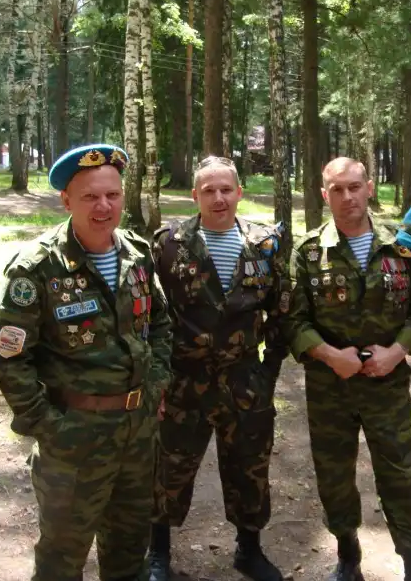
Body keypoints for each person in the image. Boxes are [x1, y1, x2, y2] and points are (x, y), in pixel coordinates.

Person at [0, 144, 173, 581]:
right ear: (66, 200)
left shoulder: (137, 254)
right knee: (61, 560)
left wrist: (156, 384)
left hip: (137, 434)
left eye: (112, 195)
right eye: (90, 196)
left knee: (129, 553)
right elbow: (9, 356)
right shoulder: (37, 268)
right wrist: (48, 424)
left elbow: (161, 323)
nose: (103, 206)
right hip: (73, 440)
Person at [282, 157, 411, 581]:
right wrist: (331, 356)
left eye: (354, 187)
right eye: (337, 189)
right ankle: (348, 556)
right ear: (324, 195)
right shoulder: (308, 252)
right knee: (333, 475)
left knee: (399, 474)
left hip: (387, 385)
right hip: (329, 388)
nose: (347, 196)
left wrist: (396, 352)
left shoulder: (403, 245)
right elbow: (293, 320)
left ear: (369, 188)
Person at [147, 155, 290, 581]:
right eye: (209, 190)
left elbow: (282, 312)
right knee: (168, 468)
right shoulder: (169, 243)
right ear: (195, 196)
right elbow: (152, 313)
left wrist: (268, 373)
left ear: (239, 193)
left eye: (226, 189)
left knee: (250, 467)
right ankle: (157, 555)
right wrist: (157, 377)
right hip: (183, 379)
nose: (219, 198)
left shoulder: (266, 244)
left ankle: (249, 551)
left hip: (243, 379)